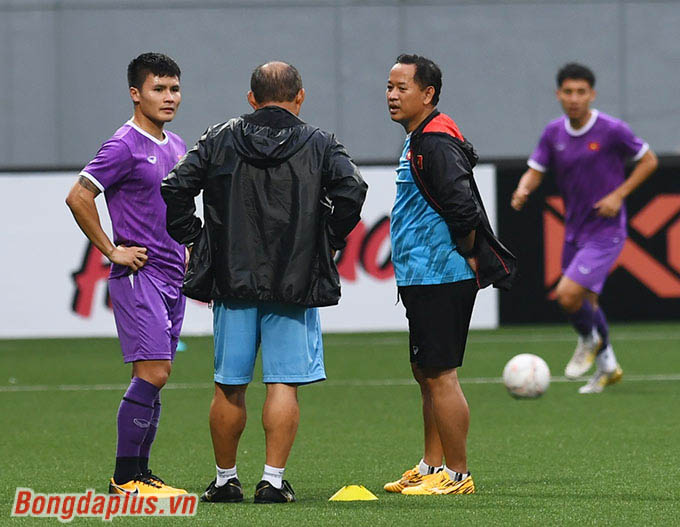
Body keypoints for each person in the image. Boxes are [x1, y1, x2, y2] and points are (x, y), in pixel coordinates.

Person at [161, 61, 367, 504]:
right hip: (293, 279)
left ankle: (224, 480)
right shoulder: (319, 143)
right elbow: (353, 189)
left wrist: (195, 238)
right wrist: (326, 238)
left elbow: (175, 186)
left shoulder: (218, 137)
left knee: (229, 383)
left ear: (251, 98)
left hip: (231, 280)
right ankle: (272, 482)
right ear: (300, 97)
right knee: (283, 384)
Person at [384, 54, 516, 495]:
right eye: (389, 87)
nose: (392, 95)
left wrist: (465, 251)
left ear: (428, 94)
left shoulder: (434, 141)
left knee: (441, 374)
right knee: (426, 372)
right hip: (422, 276)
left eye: (402, 88)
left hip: (440, 275)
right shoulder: (420, 136)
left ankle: (458, 475)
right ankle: (431, 465)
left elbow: (462, 206)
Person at [65, 52, 188, 495]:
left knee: (158, 374)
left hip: (173, 277)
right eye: (159, 89)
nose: (169, 97)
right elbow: (79, 196)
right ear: (136, 94)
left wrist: (188, 250)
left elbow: (175, 209)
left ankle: (140, 473)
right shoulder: (124, 144)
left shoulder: (175, 146)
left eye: (174, 88)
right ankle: (126, 476)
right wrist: (111, 250)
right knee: (152, 373)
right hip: (140, 276)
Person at [511, 62, 658, 394]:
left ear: (592, 94)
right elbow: (535, 169)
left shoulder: (611, 129)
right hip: (574, 230)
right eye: (568, 92)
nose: (574, 98)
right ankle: (607, 367)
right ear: (558, 94)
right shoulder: (553, 133)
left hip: (606, 230)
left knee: (567, 295)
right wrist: (523, 188)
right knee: (586, 302)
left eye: (581, 92)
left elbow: (649, 160)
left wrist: (619, 195)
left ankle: (589, 340)